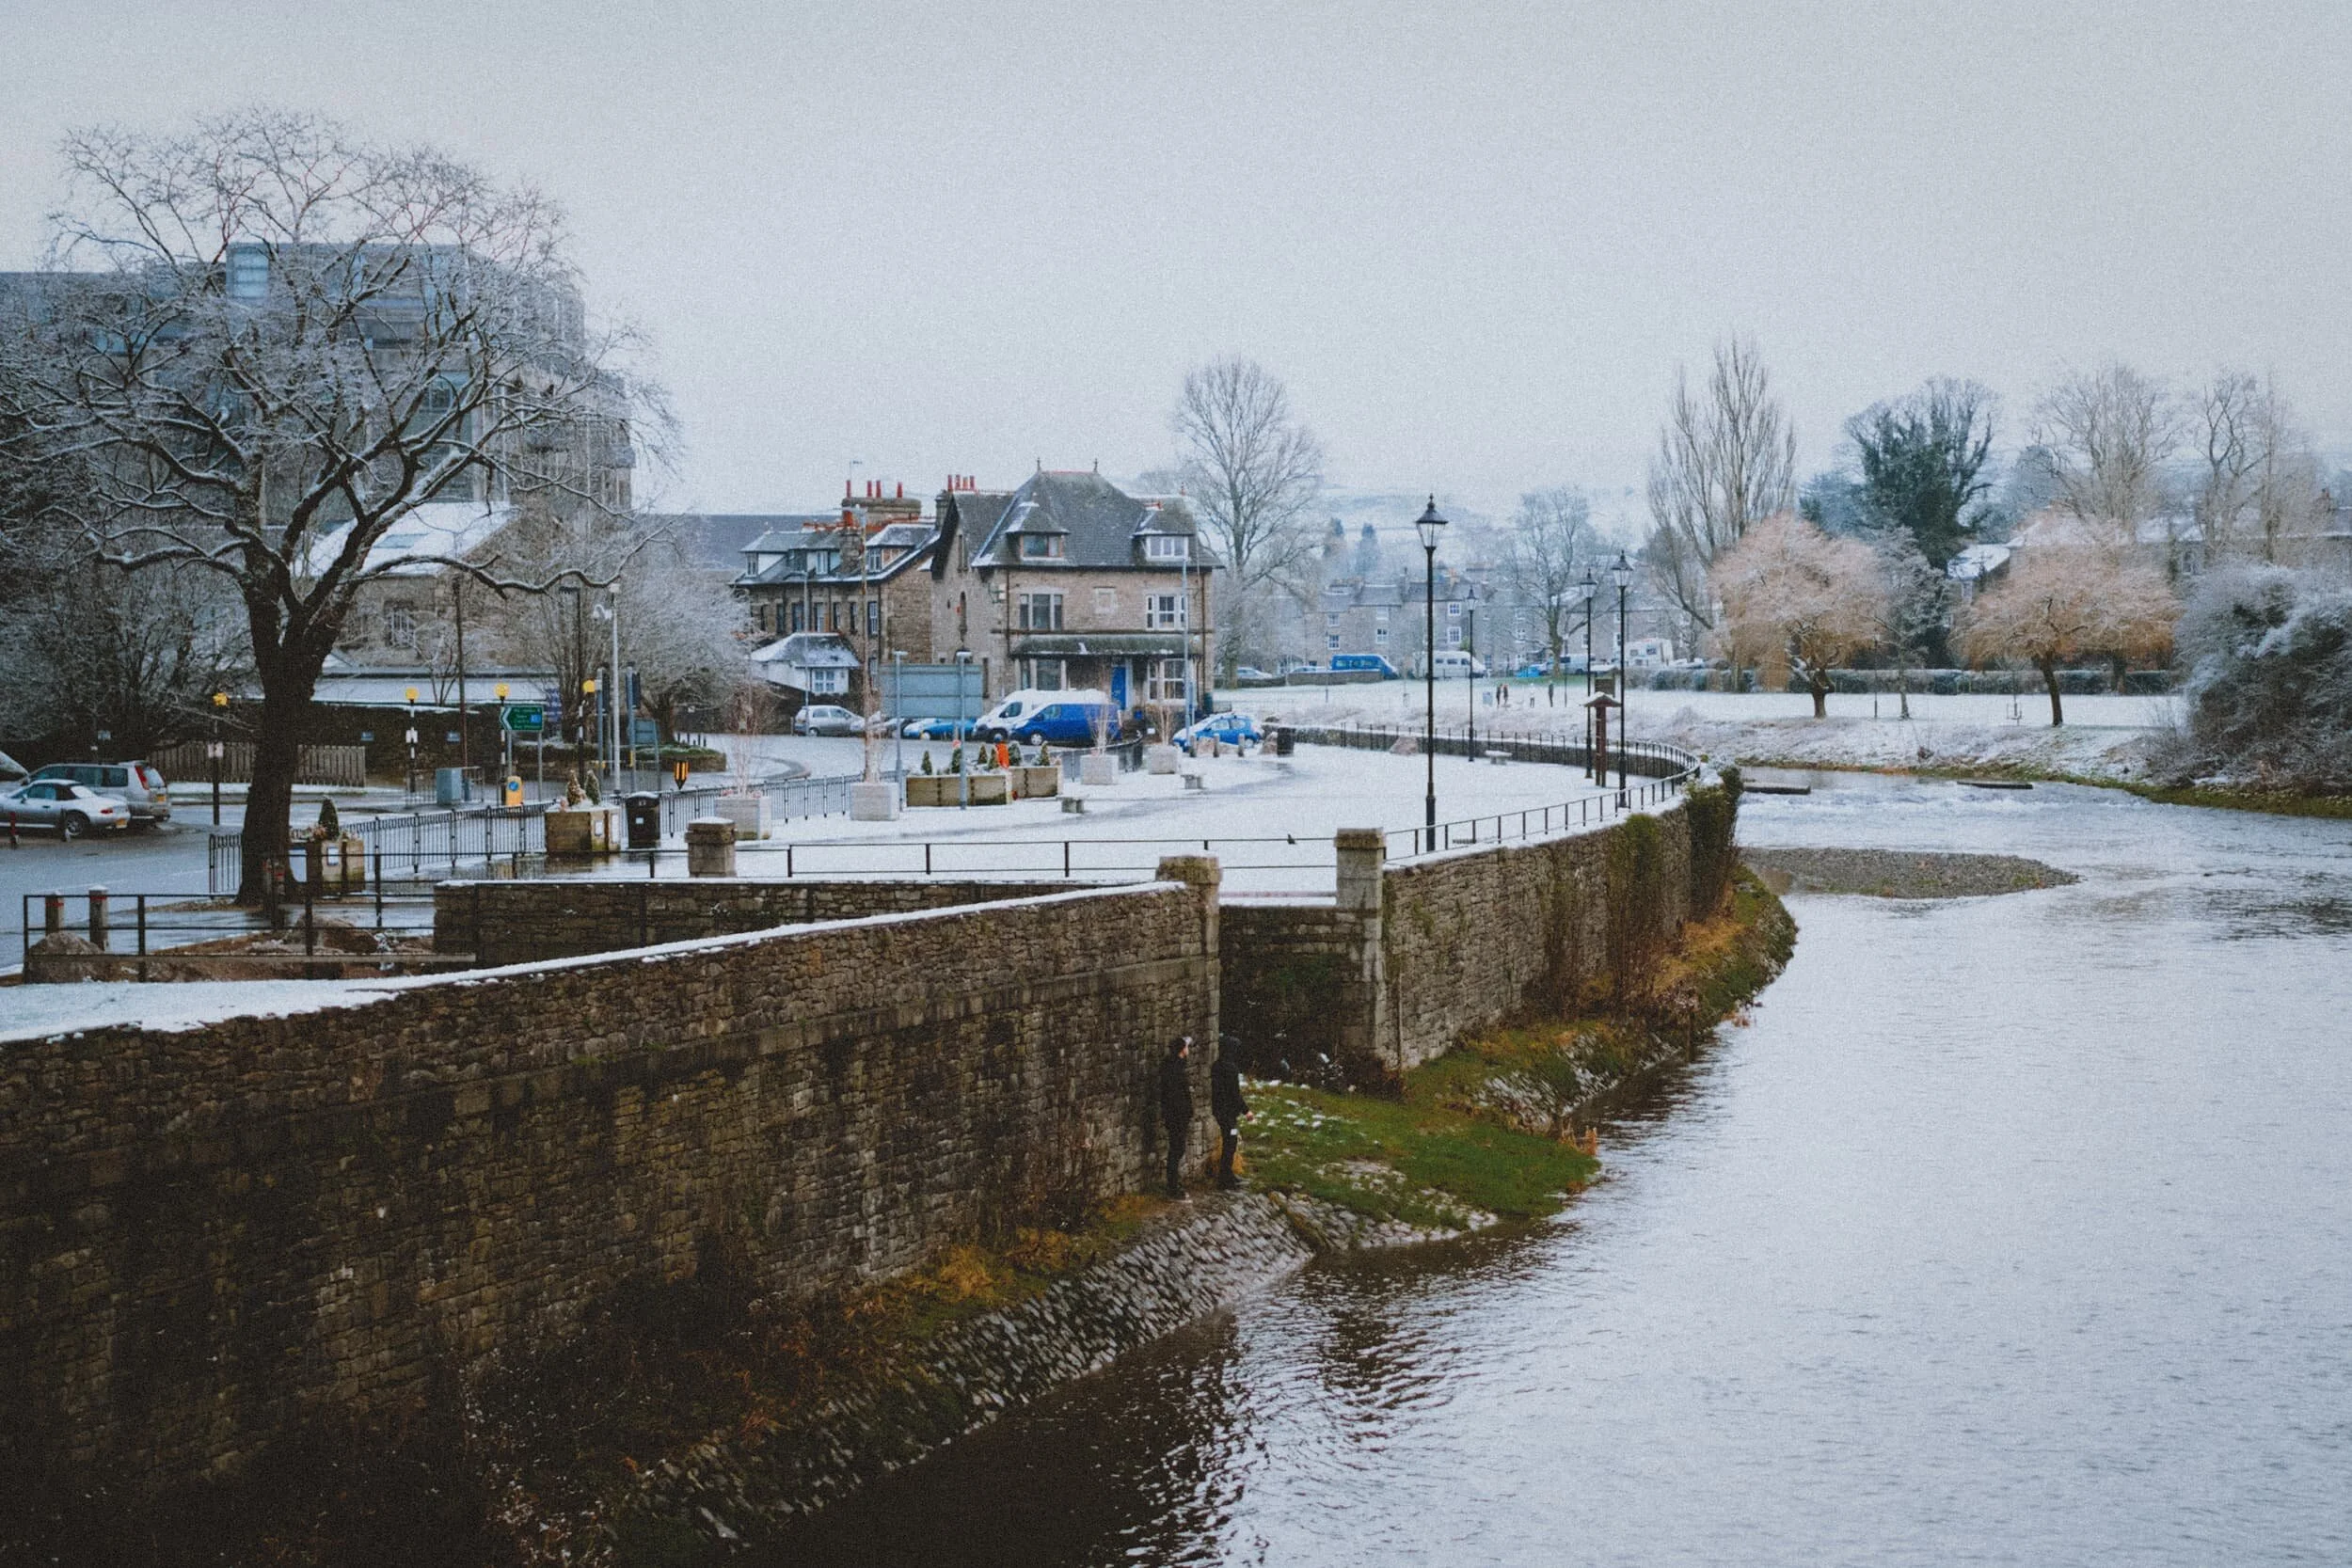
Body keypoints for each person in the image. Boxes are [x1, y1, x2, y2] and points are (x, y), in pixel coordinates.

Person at [1158, 1035, 1194, 1197]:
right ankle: (1172, 1187)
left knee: (1177, 1149)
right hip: (1177, 1115)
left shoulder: (1173, 1067)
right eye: (1186, 1047)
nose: (1188, 1050)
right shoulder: (1174, 1069)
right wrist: (1185, 1112)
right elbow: (1175, 1095)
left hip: (1176, 1114)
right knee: (1176, 1149)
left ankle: (1173, 1184)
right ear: (1182, 1050)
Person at [1211, 1035, 1248, 1189]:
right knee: (1230, 1142)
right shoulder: (1231, 1069)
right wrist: (1246, 1111)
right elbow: (1235, 1093)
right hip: (1228, 1114)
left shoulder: (1216, 1066)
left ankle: (1226, 1175)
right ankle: (1225, 1177)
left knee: (1229, 1141)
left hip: (1220, 1111)